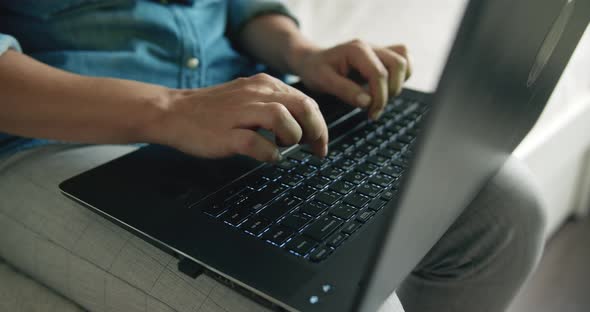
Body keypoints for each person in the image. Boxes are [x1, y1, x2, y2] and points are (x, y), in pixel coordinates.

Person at [0, 1, 546, 311]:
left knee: (504, 210)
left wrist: (302, 53)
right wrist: (171, 109)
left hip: (233, 102)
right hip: (62, 138)